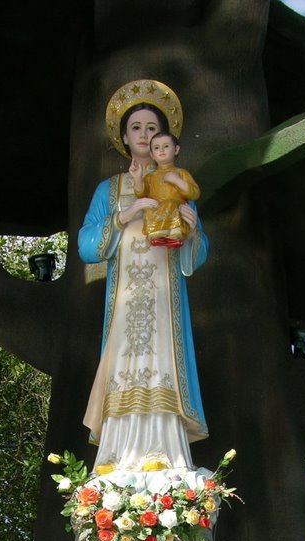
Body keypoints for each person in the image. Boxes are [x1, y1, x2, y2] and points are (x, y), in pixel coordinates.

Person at [78, 80, 209, 475]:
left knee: (163, 361)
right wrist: (125, 215)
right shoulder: (109, 190)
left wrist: (191, 230)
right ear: (124, 136)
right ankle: (117, 458)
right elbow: (86, 244)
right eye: (136, 127)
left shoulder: (177, 182)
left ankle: (164, 454)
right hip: (124, 302)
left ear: (164, 140)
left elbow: (199, 251)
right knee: (122, 364)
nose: (144, 134)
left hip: (164, 300)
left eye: (152, 128)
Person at [132, 132, 201, 247]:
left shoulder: (181, 173)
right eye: (156, 148)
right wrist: (137, 178)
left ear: (176, 149)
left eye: (166, 146)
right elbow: (140, 193)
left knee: (170, 205)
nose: (161, 150)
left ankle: (174, 234)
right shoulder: (150, 177)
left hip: (176, 208)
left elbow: (195, 193)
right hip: (156, 209)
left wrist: (177, 181)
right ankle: (157, 235)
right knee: (149, 211)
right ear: (152, 154)